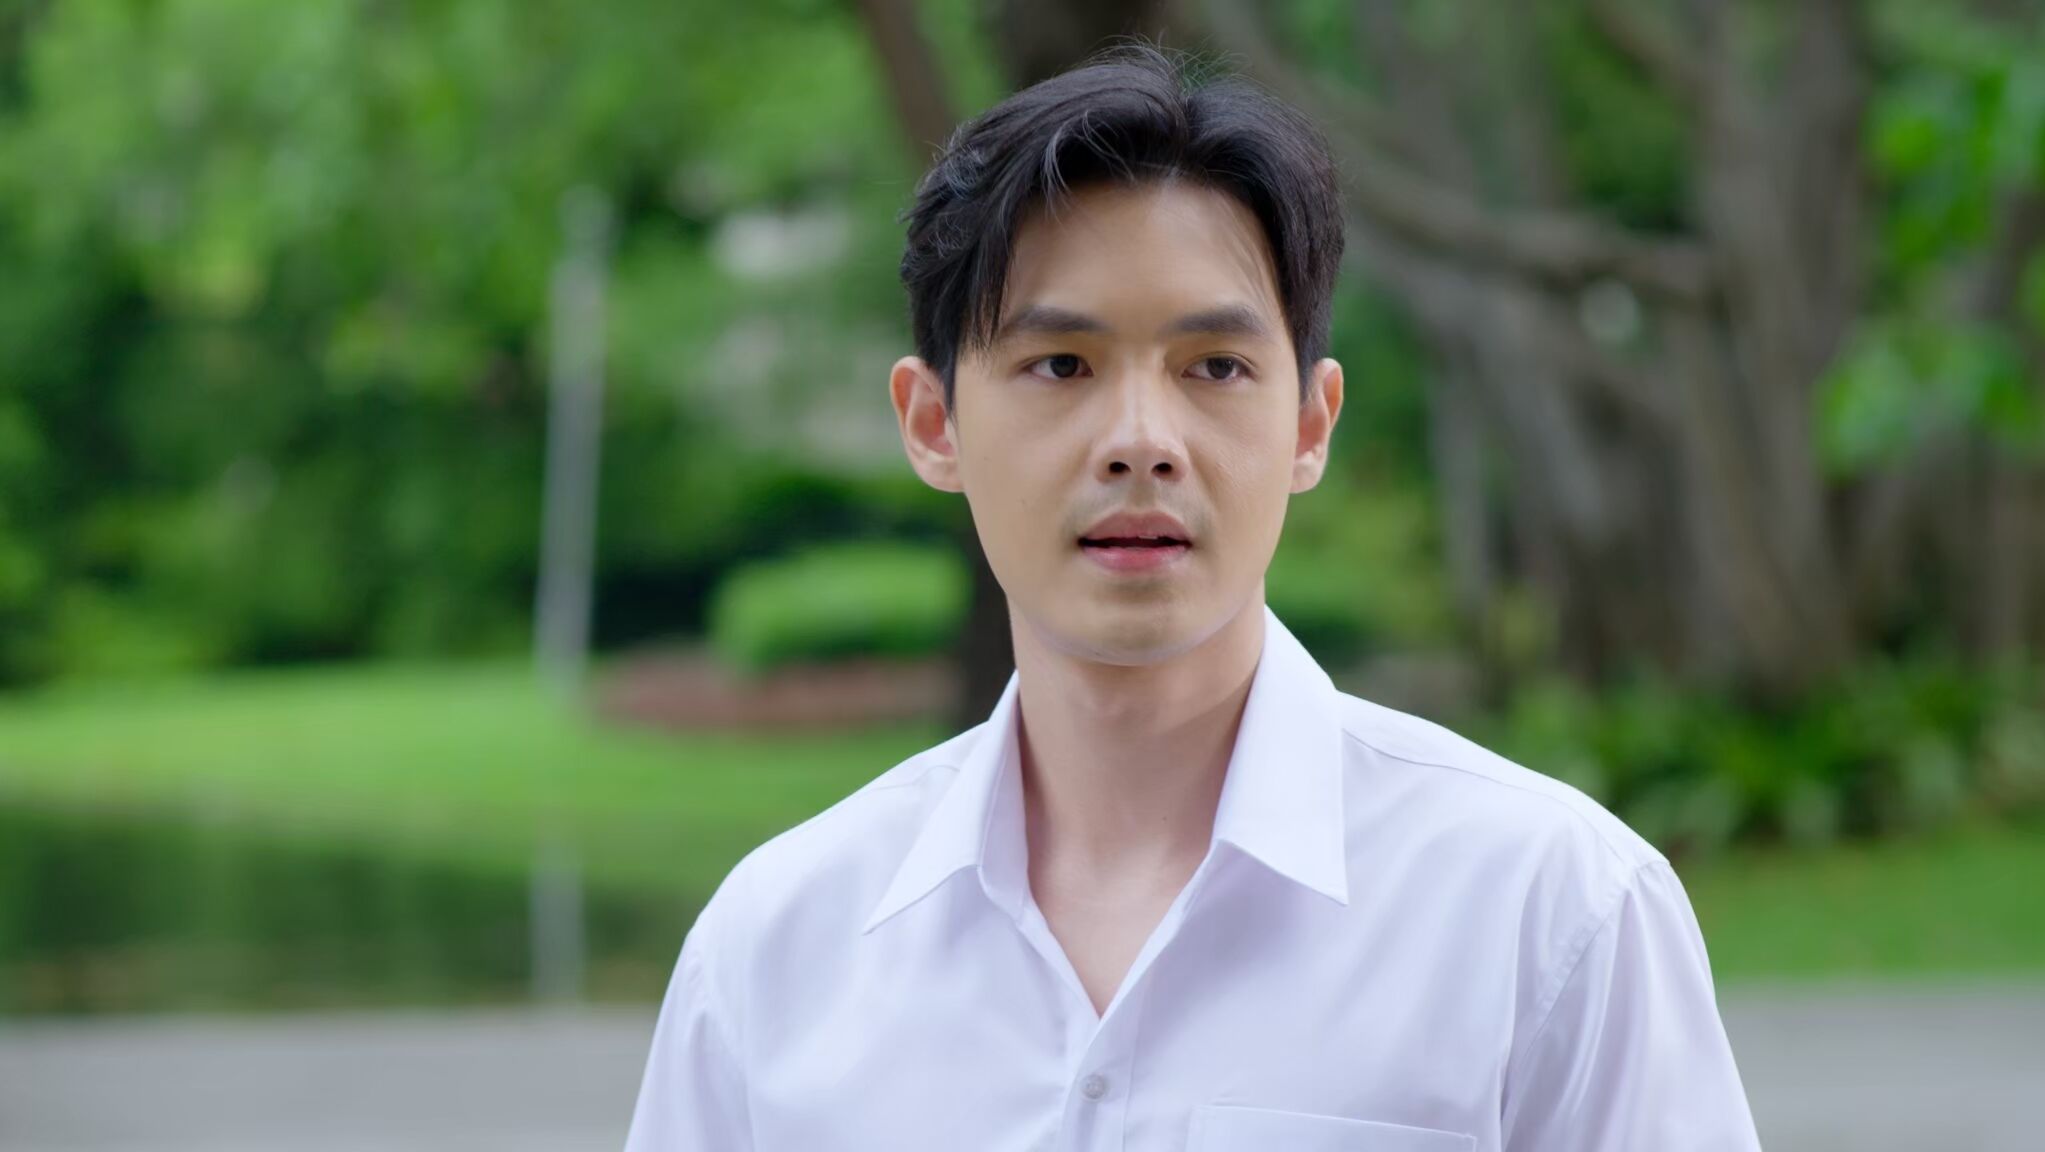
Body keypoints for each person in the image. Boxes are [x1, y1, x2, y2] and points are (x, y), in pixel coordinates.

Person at [624, 42, 1760, 1152]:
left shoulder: (1548, 913)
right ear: (934, 425)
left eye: (1214, 367)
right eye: (1060, 366)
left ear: (1308, 424)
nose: (1140, 441)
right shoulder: (774, 953)